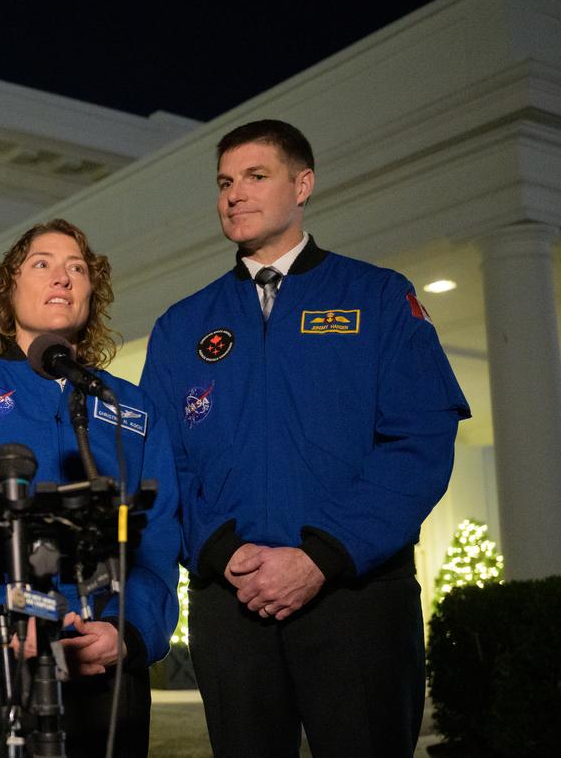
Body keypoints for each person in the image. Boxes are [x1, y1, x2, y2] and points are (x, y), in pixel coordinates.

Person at [140, 119, 471, 756]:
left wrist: (323, 555)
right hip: (230, 602)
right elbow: (161, 461)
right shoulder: (182, 326)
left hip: (356, 600)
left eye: (255, 176)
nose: (234, 194)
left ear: (303, 185)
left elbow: (418, 444)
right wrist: (218, 549)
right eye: (224, 182)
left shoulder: (376, 297)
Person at [0, 218, 181, 757]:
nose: (62, 278)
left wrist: (123, 634)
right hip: (2, 663)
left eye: (76, 269)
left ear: (91, 293)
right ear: (9, 289)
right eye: (42, 264)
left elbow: (158, 540)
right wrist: (2, 631)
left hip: (107, 663)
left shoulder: (131, 406)